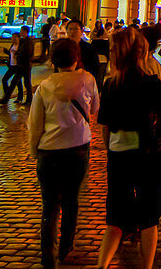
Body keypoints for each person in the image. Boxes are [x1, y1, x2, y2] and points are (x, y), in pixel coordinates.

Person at [96, 28, 161, 269]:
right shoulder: (152, 84)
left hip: (119, 157)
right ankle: (147, 266)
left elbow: (105, 127)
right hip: (148, 157)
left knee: (115, 220)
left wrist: (110, 152)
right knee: (148, 219)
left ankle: (101, 265)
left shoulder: (111, 85)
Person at [28, 38, 100, 269]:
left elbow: (35, 124)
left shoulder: (44, 87)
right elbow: (96, 108)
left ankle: (47, 253)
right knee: (71, 200)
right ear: (76, 58)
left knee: (49, 205)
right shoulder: (87, 80)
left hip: (49, 151)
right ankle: (66, 246)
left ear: (52, 60)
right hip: (78, 147)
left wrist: (34, 151)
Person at [2, 32, 27, 103]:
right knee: (4, 80)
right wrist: (6, 51)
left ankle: (19, 97)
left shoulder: (20, 46)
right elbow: (11, 53)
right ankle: (7, 94)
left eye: (14, 37)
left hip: (17, 66)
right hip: (11, 65)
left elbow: (21, 54)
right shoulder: (13, 45)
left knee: (18, 82)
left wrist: (17, 55)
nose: (12, 39)